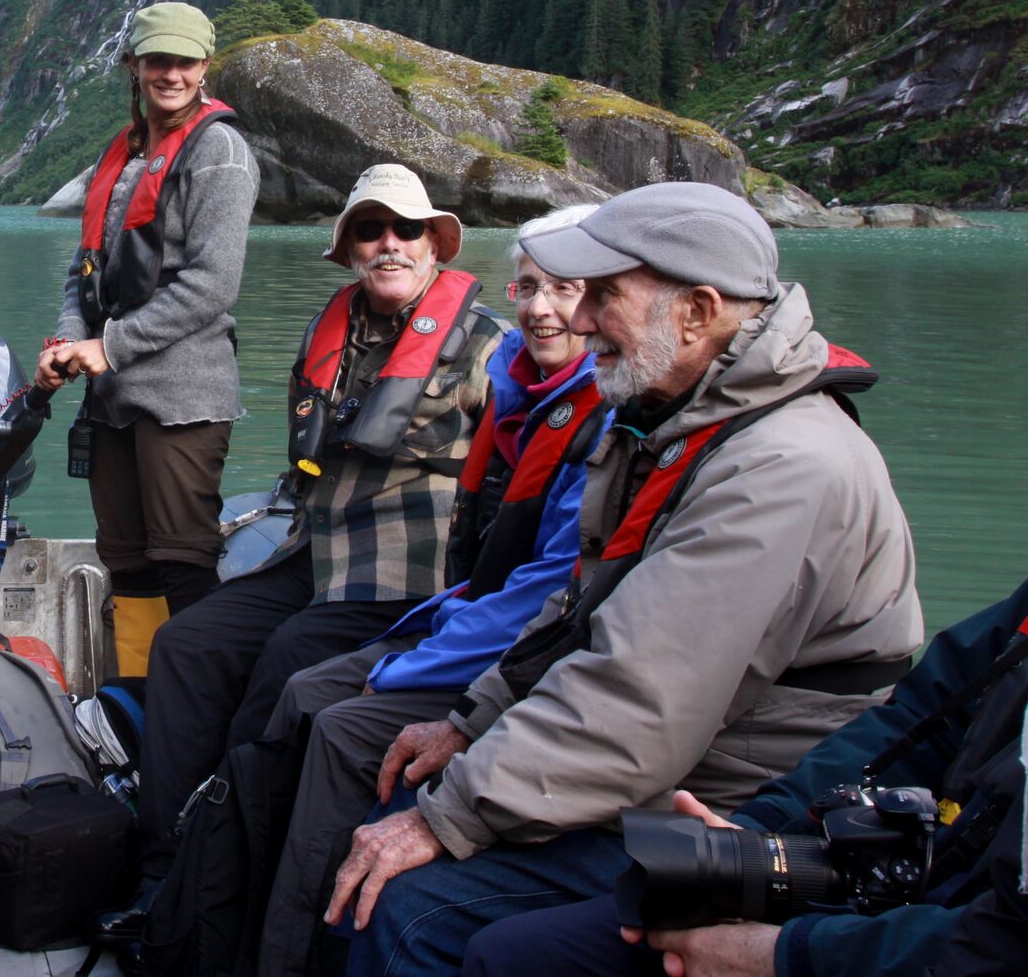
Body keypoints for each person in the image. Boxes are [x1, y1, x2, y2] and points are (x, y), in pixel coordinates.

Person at [323, 181, 924, 977]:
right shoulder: (670, 422)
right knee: (393, 804)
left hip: (737, 805)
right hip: (667, 769)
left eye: (604, 295)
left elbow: (640, 703)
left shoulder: (779, 468)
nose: (575, 319)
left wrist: (450, 816)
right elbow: (580, 613)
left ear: (697, 311)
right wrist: (471, 721)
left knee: (411, 908)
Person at [97, 161, 507, 945]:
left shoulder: (488, 343)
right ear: (351, 247)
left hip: (407, 570)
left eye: (406, 229)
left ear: (434, 245)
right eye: (370, 229)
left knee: (287, 659)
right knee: (187, 644)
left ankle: (225, 883)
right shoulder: (335, 328)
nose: (389, 243)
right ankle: (163, 869)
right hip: (313, 551)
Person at [232, 205, 611, 976]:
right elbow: (502, 572)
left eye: (566, 290)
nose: (541, 309)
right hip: (465, 617)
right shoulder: (520, 391)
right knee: (295, 682)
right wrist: (429, 629)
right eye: (529, 287)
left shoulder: (592, 413)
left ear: (603, 303)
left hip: (521, 658)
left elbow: (552, 586)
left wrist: (417, 658)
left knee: (331, 718)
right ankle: (224, 910)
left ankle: (286, 953)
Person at [458, 572, 1028, 977]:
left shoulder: (786, 463)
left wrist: (785, 955)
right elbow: (921, 718)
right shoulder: (651, 442)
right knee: (522, 951)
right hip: (897, 884)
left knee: (454, 923)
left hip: (933, 937)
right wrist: (764, 832)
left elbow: (1002, 941)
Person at [39, 0, 259, 649]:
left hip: (183, 402)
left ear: (205, 66)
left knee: (182, 561)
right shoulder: (125, 154)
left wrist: (108, 345)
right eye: (157, 59)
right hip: (112, 402)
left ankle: (188, 718)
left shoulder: (220, 151)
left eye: (185, 61)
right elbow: (86, 269)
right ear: (133, 64)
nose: (171, 73)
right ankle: (138, 705)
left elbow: (212, 285)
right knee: (128, 563)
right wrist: (66, 336)